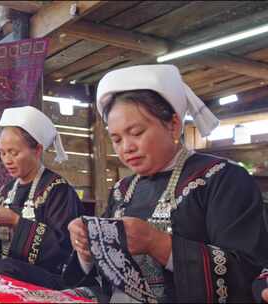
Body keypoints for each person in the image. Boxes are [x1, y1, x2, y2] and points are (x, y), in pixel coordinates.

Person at [67, 64, 268, 302]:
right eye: (117, 139)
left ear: (173, 124)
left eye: (137, 132)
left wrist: (157, 243)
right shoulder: (122, 191)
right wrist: (87, 250)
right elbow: (108, 279)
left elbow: (247, 271)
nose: (127, 147)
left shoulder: (221, 178)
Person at [0, 105, 82, 290]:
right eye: (2, 152)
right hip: (8, 268)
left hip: (50, 276)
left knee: (4, 269)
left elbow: (64, 249)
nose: (7, 160)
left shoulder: (58, 190)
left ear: (37, 150)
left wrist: (16, 222)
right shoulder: (6, 191)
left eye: (14, 152)